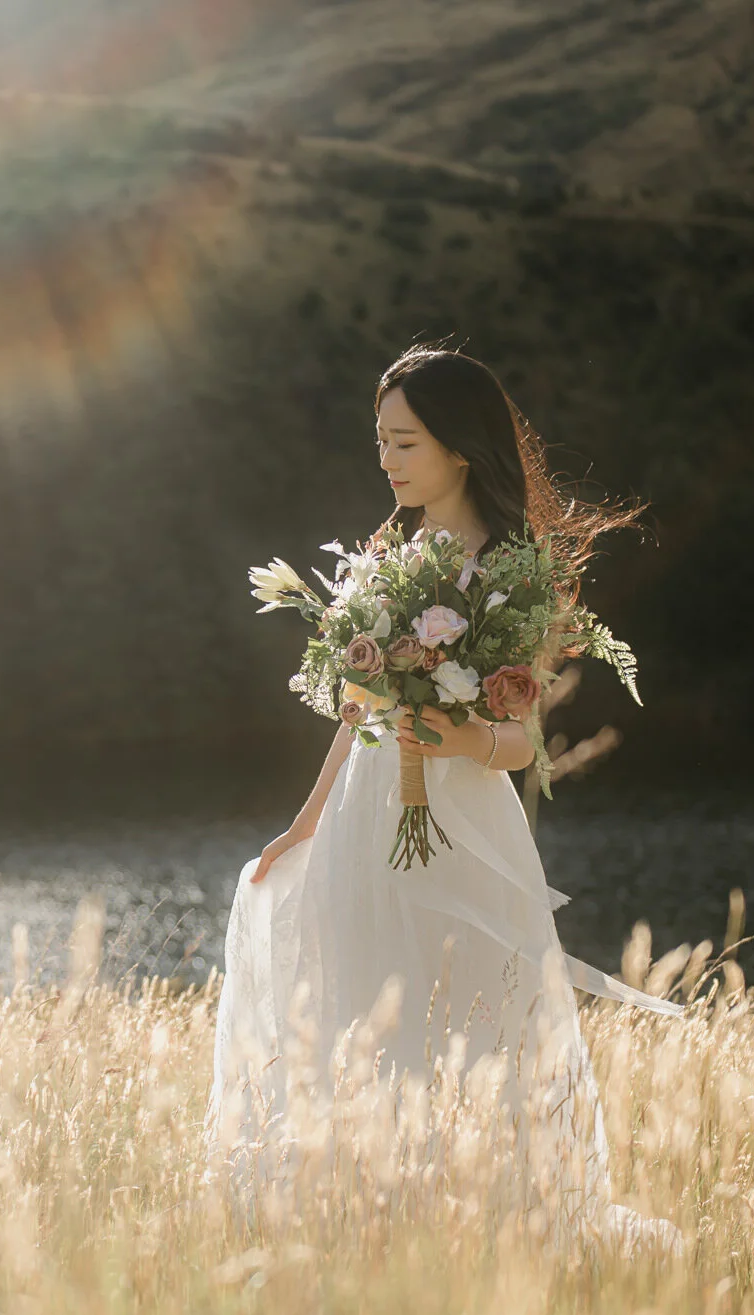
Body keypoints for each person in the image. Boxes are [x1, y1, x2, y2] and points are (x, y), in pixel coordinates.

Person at [204, 346, 682, 1252]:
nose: (385, 458)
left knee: (479, 1018)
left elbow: (522, 740)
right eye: (380, 438)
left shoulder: (515, 568)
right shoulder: (387, 553)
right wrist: (306, 824)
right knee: (366, 1005)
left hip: (466, 825)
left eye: (405, 440)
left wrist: (463, 740)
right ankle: (375, 1221)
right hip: (367, 814)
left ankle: (498, 1219)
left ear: (459, 446)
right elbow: (357, 713)